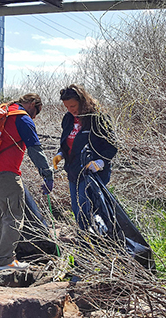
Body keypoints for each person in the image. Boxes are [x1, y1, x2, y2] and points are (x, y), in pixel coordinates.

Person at [0, 93, 54, 271]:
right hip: (5, 173)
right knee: (14, 215)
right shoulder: (22, 119)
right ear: (33, 104)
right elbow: (35, 150)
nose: (34, 117)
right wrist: (47, 175)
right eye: (36, 112)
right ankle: (5, 260)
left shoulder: (3, 111)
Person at [53, 84, 117, 231]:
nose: (71, 110)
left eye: (73, 105)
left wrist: (100, 161)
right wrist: (60, 154)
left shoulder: (98, 117)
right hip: (73, 170)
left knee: (87, 208)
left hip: (92, 173)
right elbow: (67, 142)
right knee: (77, 208)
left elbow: (112, 145)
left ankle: (95, 241)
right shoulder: (68, 119)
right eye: (67, 106)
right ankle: (84, 238)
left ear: (82, 101)